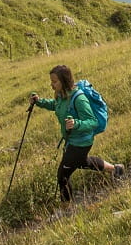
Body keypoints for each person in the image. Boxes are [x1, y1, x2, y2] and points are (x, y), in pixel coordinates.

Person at [29, 64, 123, 201]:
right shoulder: (62, 96)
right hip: (72, 141)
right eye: (51, 81)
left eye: (54, 81)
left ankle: (67, 208)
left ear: (64, 81)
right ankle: (116, 169)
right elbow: (56, 105)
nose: (51, 85)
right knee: (83, 162)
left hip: (81, 143)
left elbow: (93, 122)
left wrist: (76, 124)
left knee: (62, 175)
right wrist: (39, 102)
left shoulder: (79, 99)